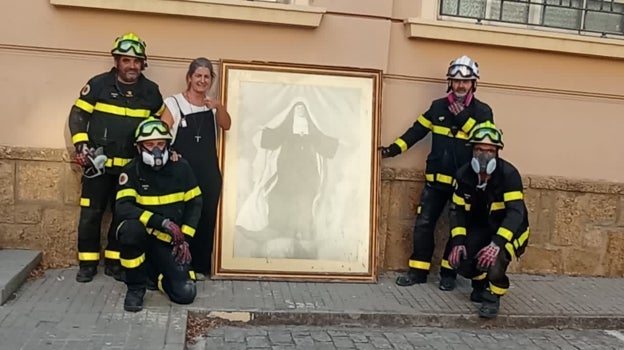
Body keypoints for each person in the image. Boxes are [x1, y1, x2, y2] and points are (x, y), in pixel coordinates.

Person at [380, 55, 494, 290]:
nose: (460, 86)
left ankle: (448, 274)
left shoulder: (483, 112)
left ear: (474, 83)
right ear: (449, 82)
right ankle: (418, 271)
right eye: (455, 81)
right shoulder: (437, 107)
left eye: (466, 81)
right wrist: (391, 150)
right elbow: (416, 132)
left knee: (457, 229)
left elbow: (485, 142)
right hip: (435, 183)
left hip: (464, 184)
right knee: (424, 224)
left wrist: (463, 117)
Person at [68, 32, 165, 283]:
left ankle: (114, 262)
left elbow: (163, 124)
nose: (131, 65)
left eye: (136, 61)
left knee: (122, 216)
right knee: (91, 214)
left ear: (143, 63)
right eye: (126, 60)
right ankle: (87, 264)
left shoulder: (151, 92)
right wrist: (82, 146)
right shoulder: (98, 85)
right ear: (117, 62)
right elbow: (78, 115)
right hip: (97, 167)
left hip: (131, 171)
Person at [115, 118, 202, 312]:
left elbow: (195, 203)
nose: (156, 150)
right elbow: (123, 207)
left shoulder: (182, 168)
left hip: (170, 241)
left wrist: (185, 238)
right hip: (143, 236)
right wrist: (161, 222)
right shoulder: (131, 171)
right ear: (139, 148)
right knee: (130, 230)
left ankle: (155, 275)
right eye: (150, 144)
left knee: (185, 294)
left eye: (161, 144)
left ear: (168, 145)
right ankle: (136, 288)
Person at [234, 99, 339, 259]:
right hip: (285, 174)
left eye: (302, 110)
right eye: (297, 109)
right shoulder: (284, 130)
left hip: (306, 174)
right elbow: (267, 138)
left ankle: (302, 233)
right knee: (279, 198)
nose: (300, 112)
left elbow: (327, 146)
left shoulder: (313, 133)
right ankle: (278, 229)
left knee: (304, 202)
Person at [447, 121, 529, 318]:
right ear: (472, 151)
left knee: (495, 257)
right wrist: (457, 242)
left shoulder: (509, 175)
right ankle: (480, 283)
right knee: (462, 258)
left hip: (509, 231)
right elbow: (456, 211)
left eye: (490, 150)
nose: (484, 155)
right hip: (482, 226)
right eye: (479, 149)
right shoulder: (463, 175)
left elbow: (515, 213)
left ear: (497, 153)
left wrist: (497, 242)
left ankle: (493, 295)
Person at [160, 57, 231, 279]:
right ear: (189, 78)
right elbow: (161, 132)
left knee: (205, 219)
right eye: (198, 76)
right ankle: (176, 264)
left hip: (208, 173)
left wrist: (219, 106)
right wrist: (168, 151)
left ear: (211, 80)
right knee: (181, 217)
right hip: (181, 173)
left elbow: (226, 124)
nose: (202, 80)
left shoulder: (212, 108)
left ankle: (199, 266)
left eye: (206, 77)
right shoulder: (174, 103)